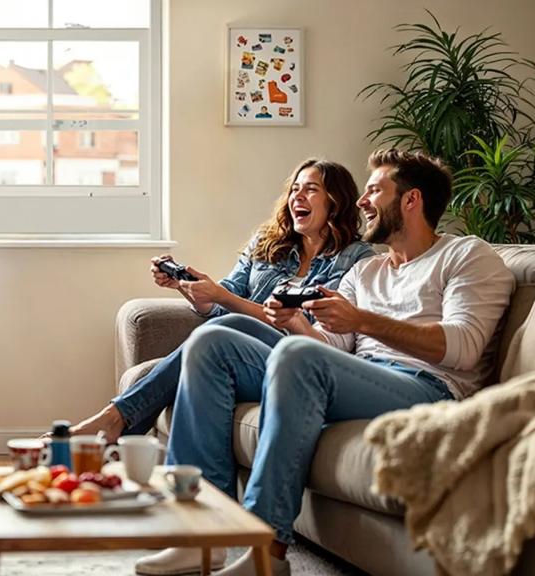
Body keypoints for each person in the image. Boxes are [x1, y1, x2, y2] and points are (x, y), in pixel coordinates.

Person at [139, 149, 515, 576]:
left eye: (374, 190)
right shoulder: (366, 272)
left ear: (411, 200)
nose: (361, 201)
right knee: (212, 342)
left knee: (297, 354)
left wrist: (361, 321)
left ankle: (265, 552)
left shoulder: (467, 255)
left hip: (427, 388)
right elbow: (331, 350)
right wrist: (298, 322)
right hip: (359, 379)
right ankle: (199, 535)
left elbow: (464, 346)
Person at [68, 159, 374, 452]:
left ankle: (113, 420)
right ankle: (124, 436)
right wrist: (193, 291)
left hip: (291, 355)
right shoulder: (268, 243)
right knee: (205, 339)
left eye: (310, 189)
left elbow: (315, 328)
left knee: (227, 328)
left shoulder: (356, 259)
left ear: (335, 200)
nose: (297, 196)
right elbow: (225, 300)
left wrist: (222, 298)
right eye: (294, 189)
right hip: (236, 345)